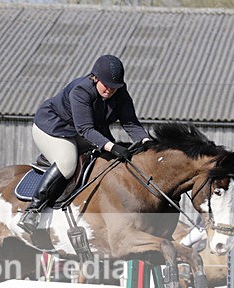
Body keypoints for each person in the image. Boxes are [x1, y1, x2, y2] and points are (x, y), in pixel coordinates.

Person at [18, 54, 151, 234]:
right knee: (67, 163)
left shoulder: (120, 92)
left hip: (84, 131)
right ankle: (33, 210)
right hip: (53, 128)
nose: (110, 90)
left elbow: (130, 122)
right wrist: (113, 146)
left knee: (111, 160)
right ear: (95, 78)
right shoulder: (81, 90)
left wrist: (147, 142)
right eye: (106, 85)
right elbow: (86, 130)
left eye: (114, 87)